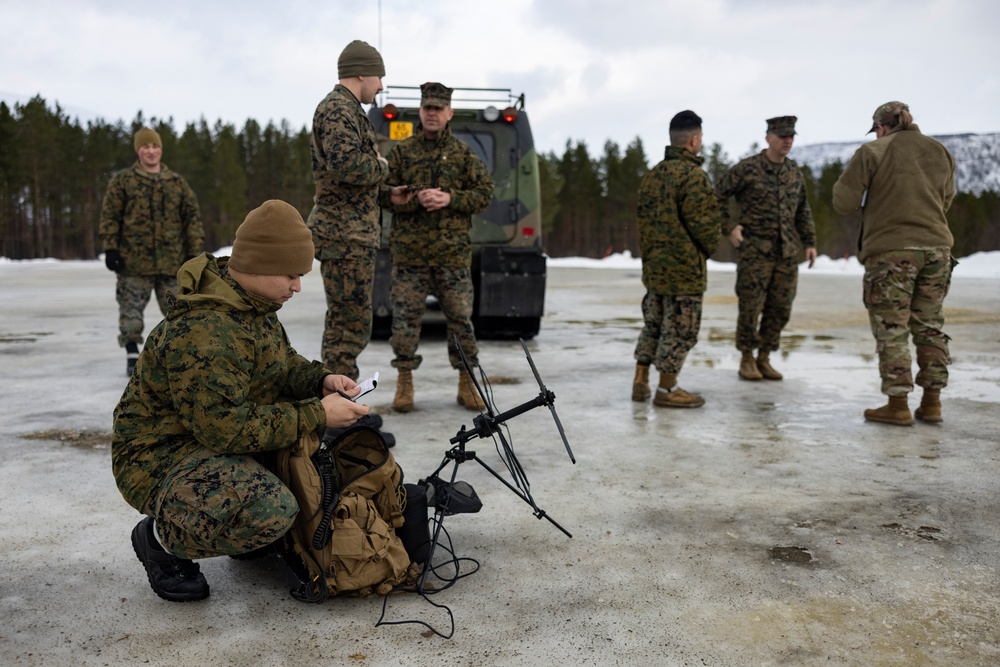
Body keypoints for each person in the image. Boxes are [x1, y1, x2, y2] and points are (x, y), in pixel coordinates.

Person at [112, 200, 370, 602]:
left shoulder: (254, 305)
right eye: (292, 275)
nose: (298, 287)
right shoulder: (207, 330)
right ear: (259, 266)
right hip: (158, 457)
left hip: (207, 438)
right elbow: (226, 430)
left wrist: (320, 380)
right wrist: (318, 414)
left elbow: (280, 364)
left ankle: (240, 527)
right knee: (272, 508)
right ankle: (161, 541)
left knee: (316, 470)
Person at [832, 102, 956, 426]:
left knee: (893, 328)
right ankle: (932, 403)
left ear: (882, 127)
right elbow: (947, 200)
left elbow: (843, 202)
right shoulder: (940, 151)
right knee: (930, 326)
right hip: (937, 250)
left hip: (891, 253)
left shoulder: (873, 151)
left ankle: (898, 404)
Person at [380, 82, 495, 412]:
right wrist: (407, 199)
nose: (432, 114)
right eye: (427, 108)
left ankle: (466, 382)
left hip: (451, 257)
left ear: (449, 114)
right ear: (420, 111)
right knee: (404, 322)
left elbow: (484, 193)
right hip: (410, 256)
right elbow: (384, 194)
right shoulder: (402, 152)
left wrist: (450, 198)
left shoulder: (462, 154)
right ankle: (404, 383)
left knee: (461, 320)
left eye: (438, 109)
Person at [306, 39, 410, 381]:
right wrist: (381, 166)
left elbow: (351, 182)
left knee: (350, 322)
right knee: (348, 325)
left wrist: (386, 195)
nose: (381, 86)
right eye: (379, 77)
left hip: (352, 234)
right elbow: (348, 167)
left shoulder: (351, 110)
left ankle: (341, 401)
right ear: (361, 73)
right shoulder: (338, 110)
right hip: (343, 236)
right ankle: (339, 411)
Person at [715, 116, 817, 382]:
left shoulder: (793, 172)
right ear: (768, 137)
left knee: (780, 307)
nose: (787, 141)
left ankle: (764, 357)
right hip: (755, 251)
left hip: (786, 253)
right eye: (782, 136)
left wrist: (810, 242)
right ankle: (747, 357)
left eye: (791, 136)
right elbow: (718, 195)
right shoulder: (748, 169)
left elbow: (802, 209)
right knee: (751, 306)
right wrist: (729, 227)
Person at [631, 110, 722, 408]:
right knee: (680, 329)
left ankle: (641, 381)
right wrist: (709, 248)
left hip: (655, 269)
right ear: (694, 140)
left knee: (654, 325)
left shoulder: (653, 175)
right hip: (684, 273)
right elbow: (706, 228)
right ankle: (668, 389)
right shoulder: (693, 177)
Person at [99, 127, 203, 375]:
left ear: (161, 150)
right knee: (130, 312)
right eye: (145, 147)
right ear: (138, 151)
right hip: (134, 262)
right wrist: (111, 247)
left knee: (180, 312)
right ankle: (132, 353)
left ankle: (179, 355)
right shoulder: (123, 182)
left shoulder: (177, 183)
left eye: (155, 146)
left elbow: (192, 219)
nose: (151, 151)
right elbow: (110, 216)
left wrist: (194, 253)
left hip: (172, 262)